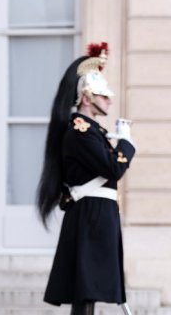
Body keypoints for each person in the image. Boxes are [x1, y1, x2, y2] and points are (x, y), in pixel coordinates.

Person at [37, 42, 136, 315]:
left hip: (99, 212)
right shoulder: (80, 130)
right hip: (90, 213)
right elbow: (113, 169)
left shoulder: (93, 130)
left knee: (91, 289)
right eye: (103, 95)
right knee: (86, 289)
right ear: (86, 97)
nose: (109, 100)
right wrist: (126, 145)